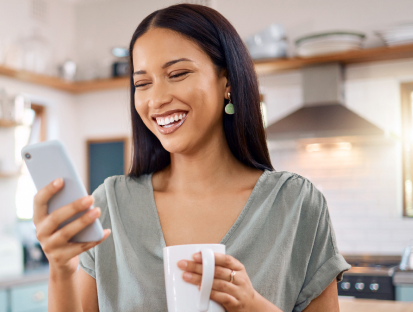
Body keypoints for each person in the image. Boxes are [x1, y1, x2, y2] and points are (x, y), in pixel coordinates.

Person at [32, 4, 350, 312]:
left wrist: (252, 306)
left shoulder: (297, 204)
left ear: (227, 81)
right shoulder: (111, 207)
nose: (156, 99)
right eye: (142, 83)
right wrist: (60, 268)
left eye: (178, 73)